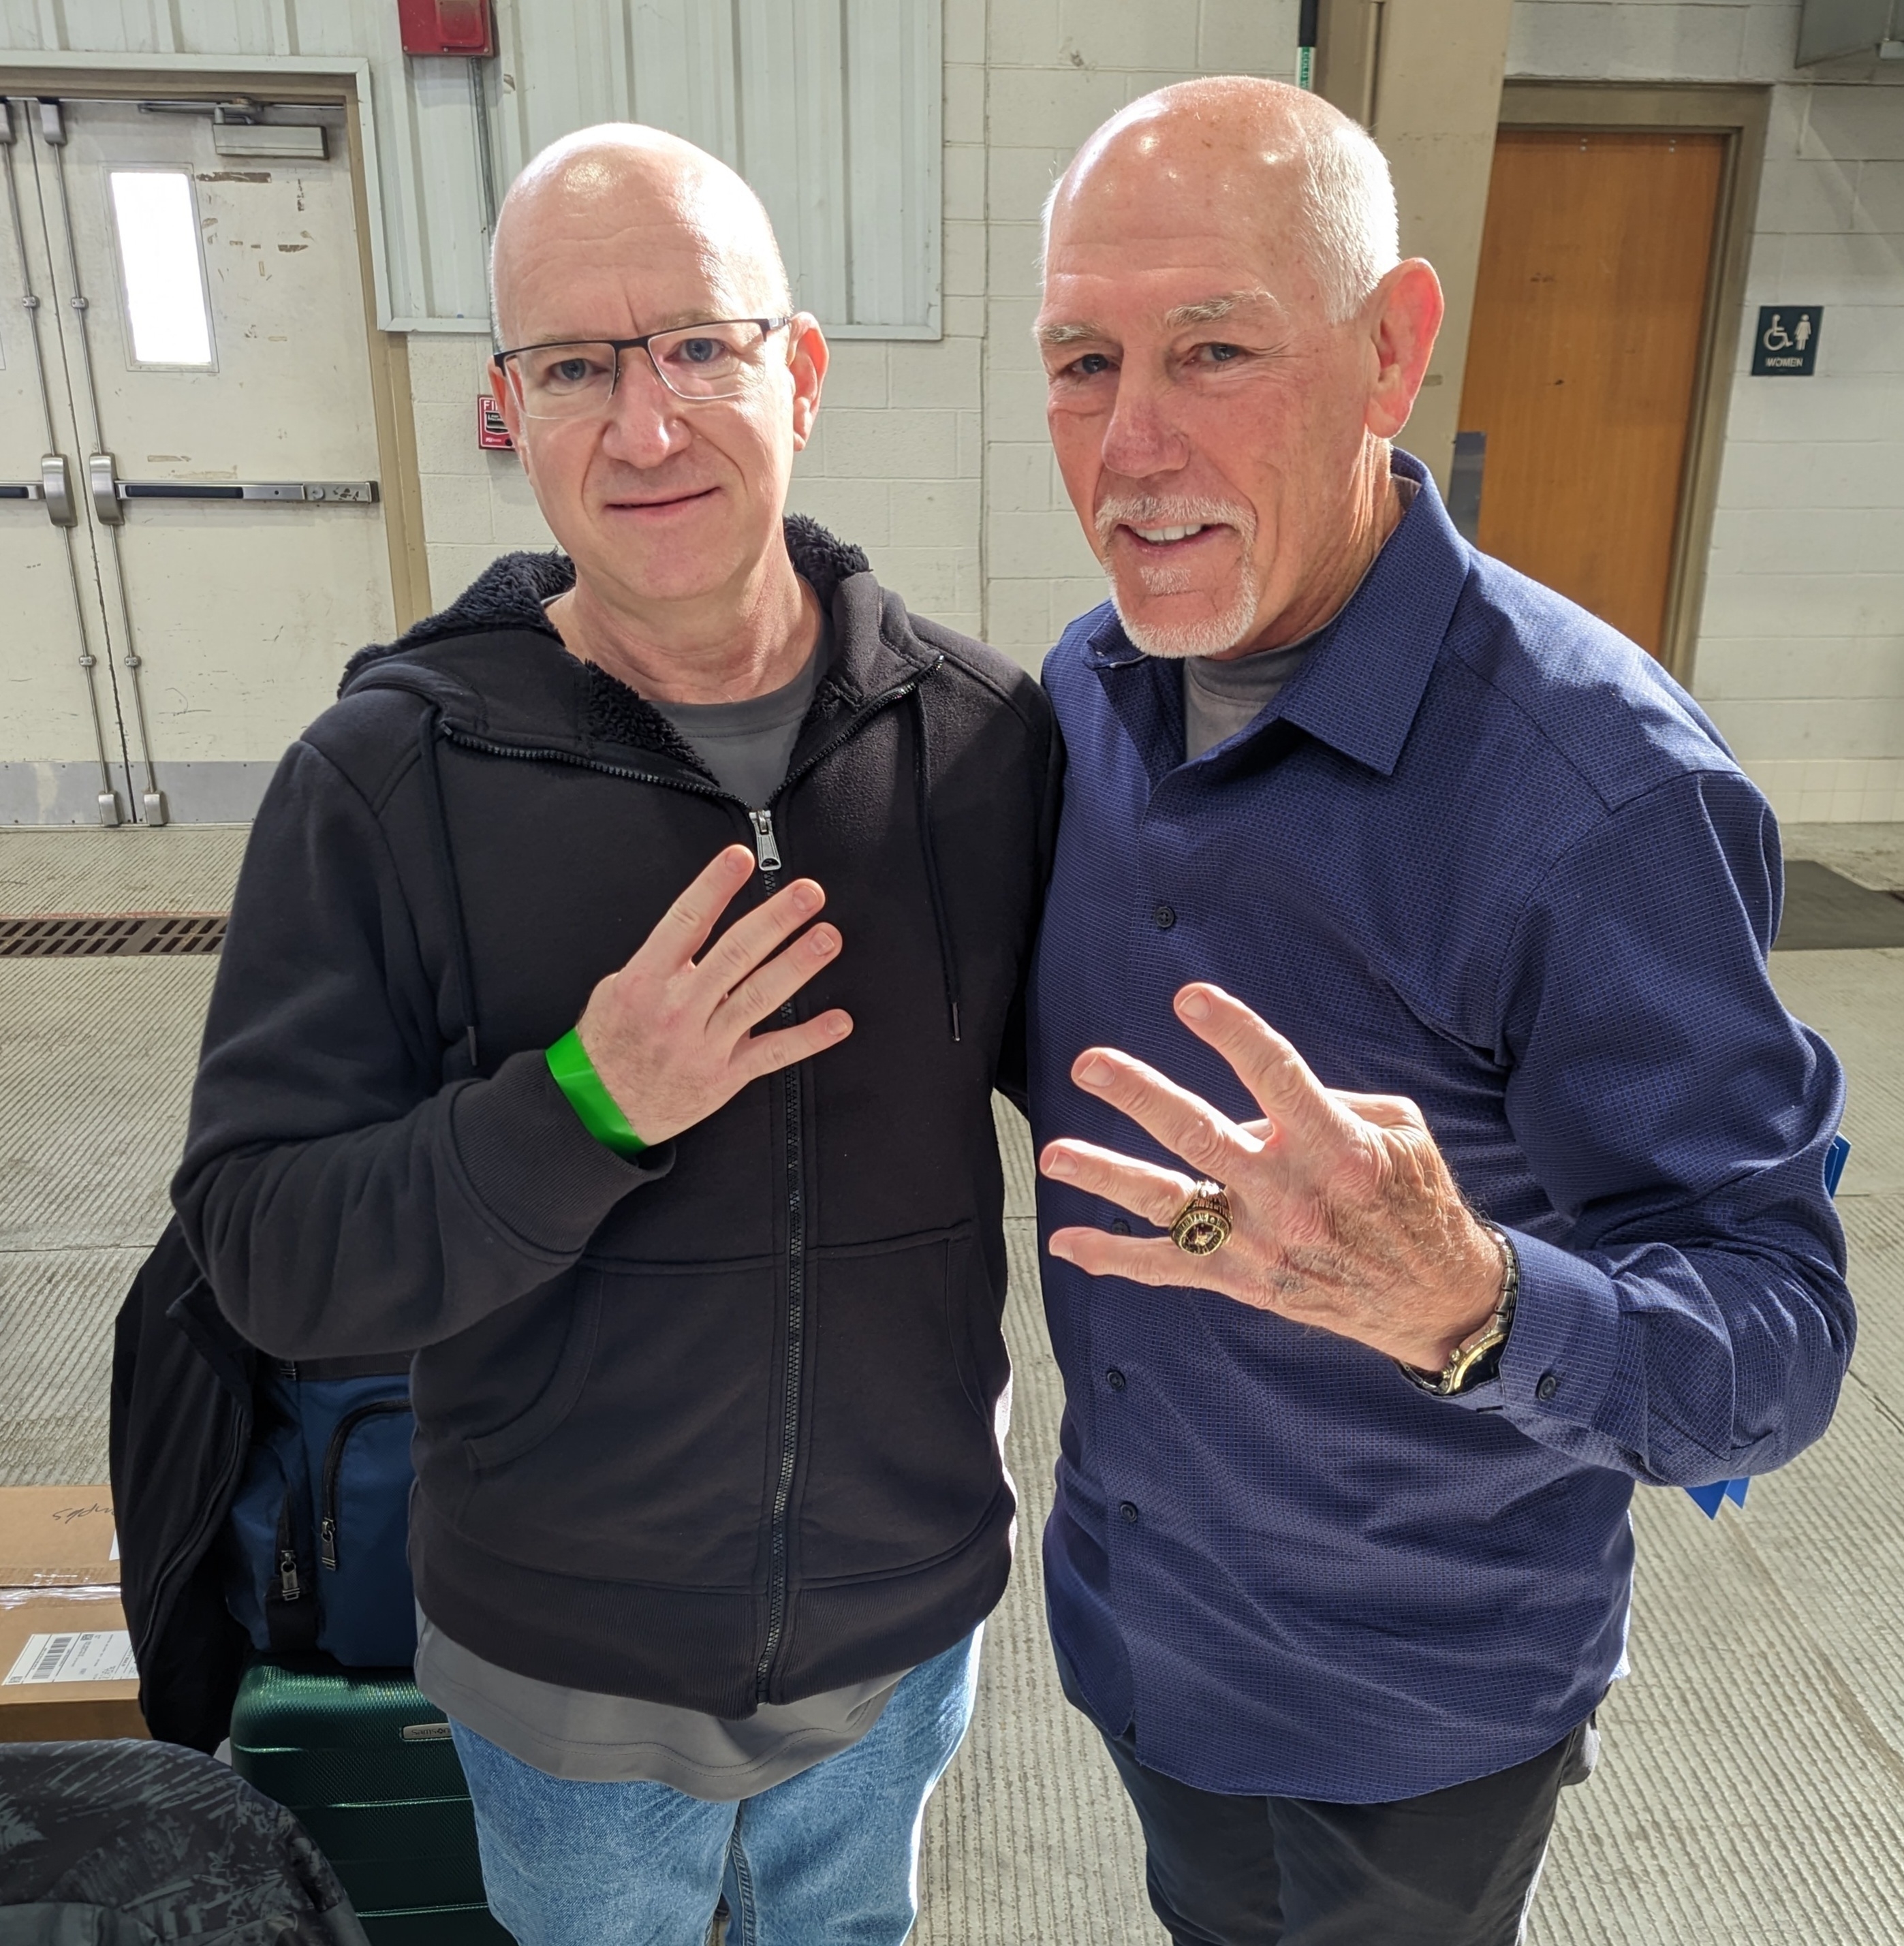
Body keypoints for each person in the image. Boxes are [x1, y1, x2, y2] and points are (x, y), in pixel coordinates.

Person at [174, 125, 1058, 1946]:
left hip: (897, 1644)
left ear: (795, 370)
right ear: (507, 407)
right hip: (566, 1681)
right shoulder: (386, 778)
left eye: (695, 348)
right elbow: (264, 1245)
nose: (641, 426)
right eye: (575, 366)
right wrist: (586, 1099)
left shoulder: (981, 746)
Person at [1027, 77, 1852, 1946]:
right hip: (1136, 1631)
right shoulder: (1084, 694)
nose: (1128, 445)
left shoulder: (1599, 797)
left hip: (1415, 1722)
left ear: (1391, 350)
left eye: (1212, 347)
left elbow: (1779, 1336)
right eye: (1081, 360)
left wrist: (1479, 1301)